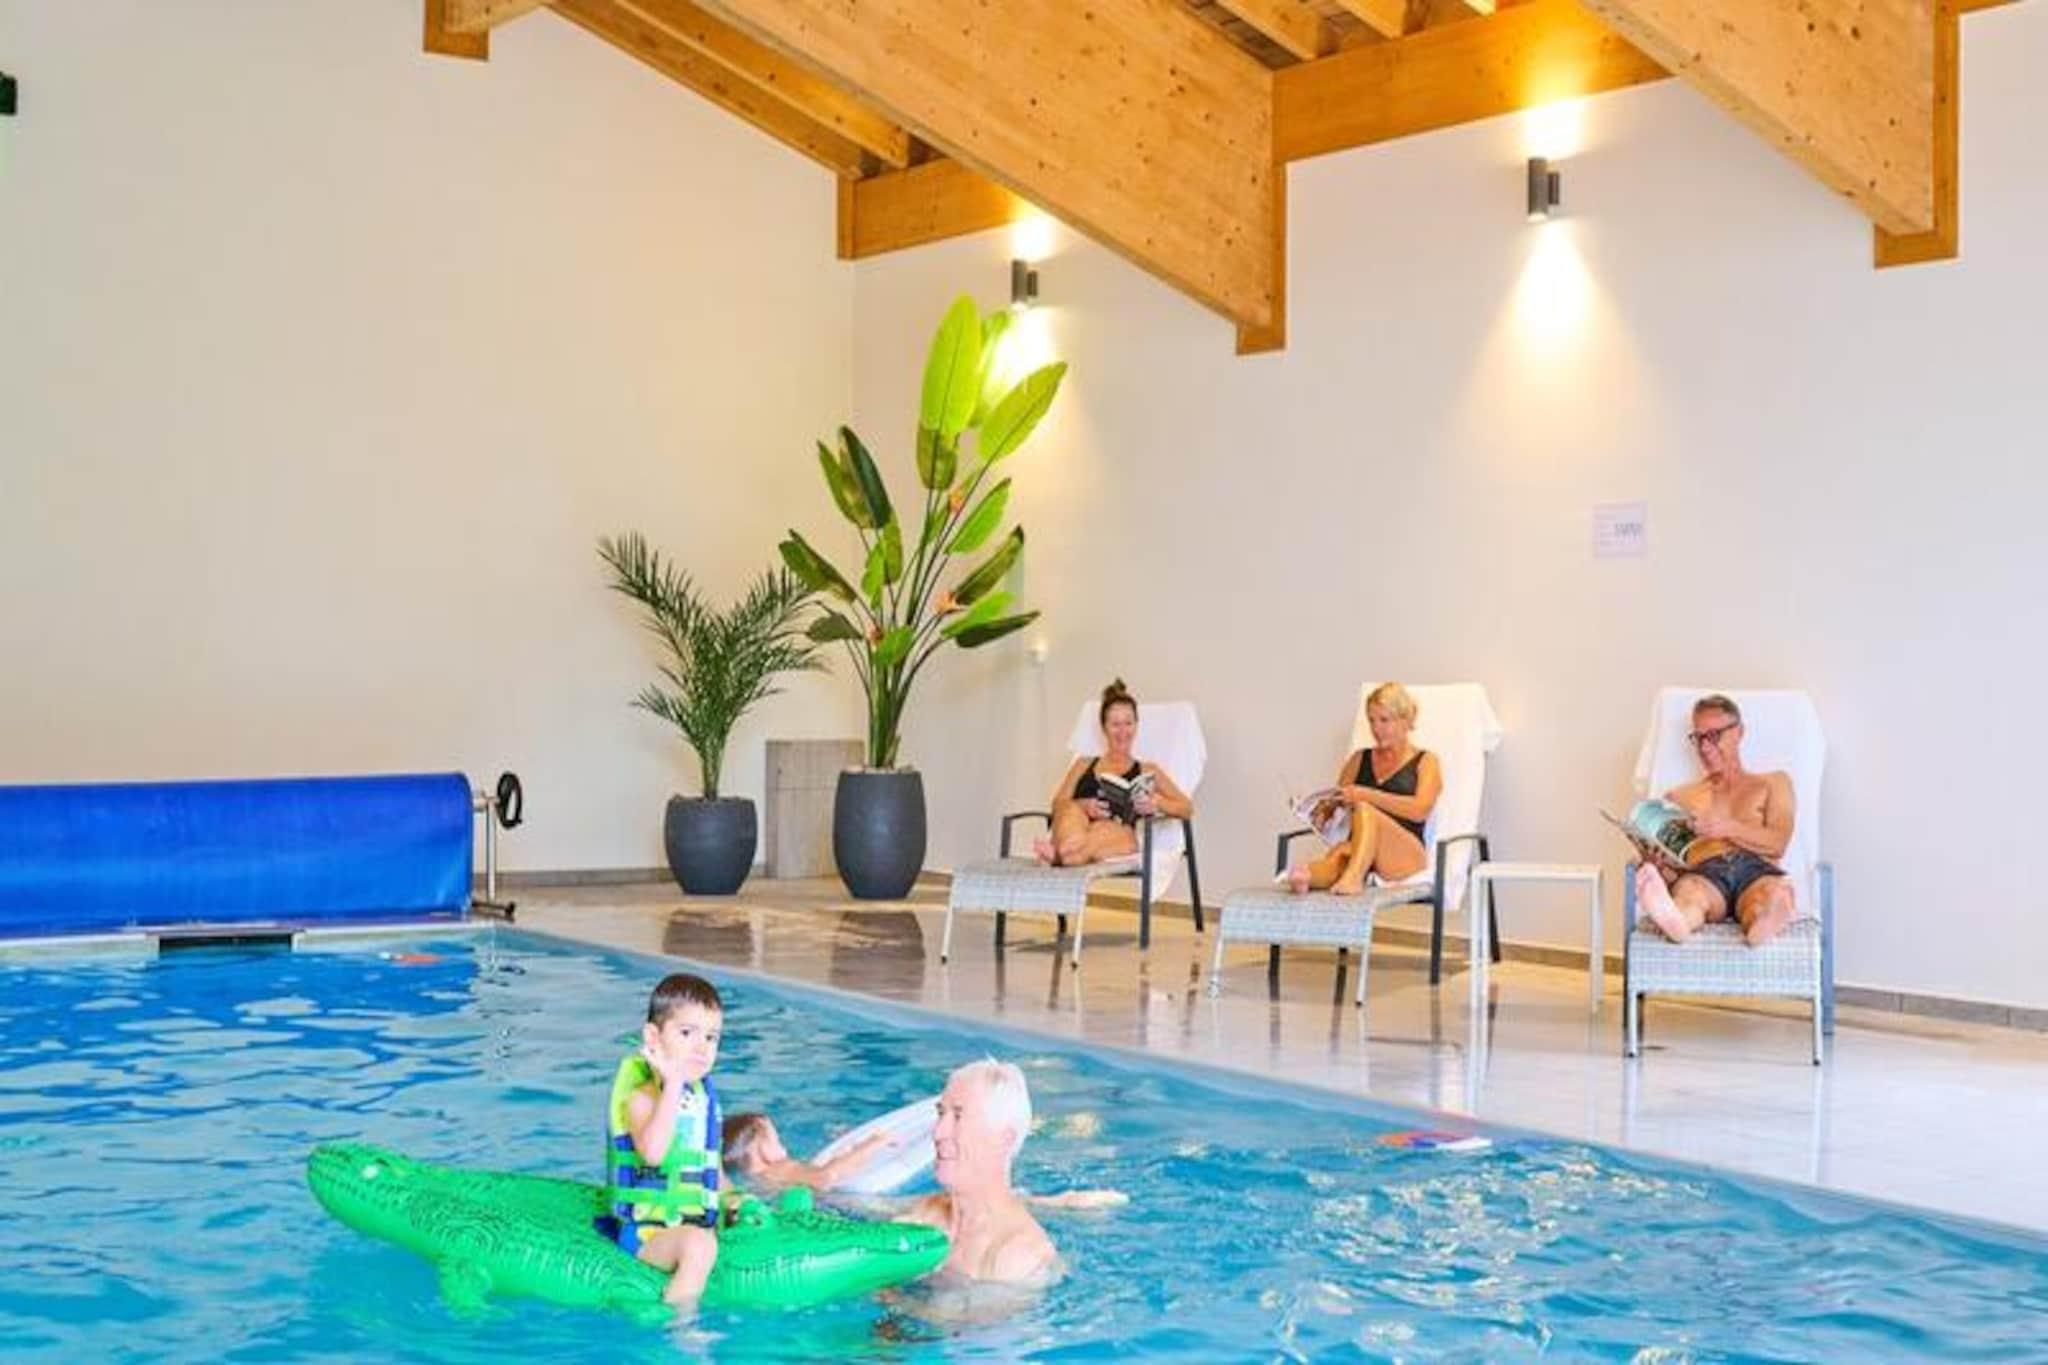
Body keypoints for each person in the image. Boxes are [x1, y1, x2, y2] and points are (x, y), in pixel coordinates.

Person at [598, 972, 725, 1308]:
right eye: (686, 1033)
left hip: (693, 1222)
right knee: (700, 1247)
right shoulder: (642, 1099)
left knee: (703, 1240)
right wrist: (672, 1087)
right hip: (647, 1231)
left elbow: (712, 1169)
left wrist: (738, 1199)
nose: (702, 1047)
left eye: (711, 1037)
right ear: (653, 1037)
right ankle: (680, 1326)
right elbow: (653, 1154)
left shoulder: (701, 1102)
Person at [1634, 694, 1798, 947]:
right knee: (1690, 894)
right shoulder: (1679, 797)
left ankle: (1765, 921)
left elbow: (1778, 843)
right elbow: (1677, 869)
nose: (1704, 748)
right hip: (1706, 873)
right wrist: (1659, 867)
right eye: (1698, 738)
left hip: (1757, 871)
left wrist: (1726, 828)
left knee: (1765, 896)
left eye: (1713, 736)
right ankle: (1678, 921)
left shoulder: (1774, 783)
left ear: (1739, 732)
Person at [898, 1060, 1061, 1286]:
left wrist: (887, 1293)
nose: (938, 1132)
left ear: (1003, 1139)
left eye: (958, 1116)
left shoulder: (1017, 1257)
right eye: (941, 1113)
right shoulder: (926, 1213)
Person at [1285, 682, 1441, 896]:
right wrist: (1319, 811)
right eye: (1372, 720)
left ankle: (1353, 878)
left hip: (1405, 855)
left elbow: (1420, 810)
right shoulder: (1359, 759)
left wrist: (1366, 795)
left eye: (1384, 720)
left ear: (1405, 720)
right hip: (1363, 848)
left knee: (1365, 809)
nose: (1376, 729)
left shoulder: (1426, 761)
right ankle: (1304, 876)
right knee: (1339, 855)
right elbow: (1338, 806)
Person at [1032, 678, 1194, 867]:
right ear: (1104, 728)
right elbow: (1057, 804)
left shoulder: (1148, 770)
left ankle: (1058, 856)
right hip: (1076, 827)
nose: (1123, 731)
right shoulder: (1083, 764)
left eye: (1128, 723)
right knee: (1070, 811)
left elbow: (1187, 808)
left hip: (1117, 834)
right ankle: (1067, 855)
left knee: (1102, 830)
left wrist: (1157, 803)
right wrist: (1084, 806)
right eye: (1115, 724)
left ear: (1136, 725)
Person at [720, 1113, 890, 1195]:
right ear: (763, 1150)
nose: (783, 1146)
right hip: (844, 1202)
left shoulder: (755, 1182)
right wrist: (875, 1142)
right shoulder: (778, 1169)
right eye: (776, 1140)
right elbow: (825, 1177)